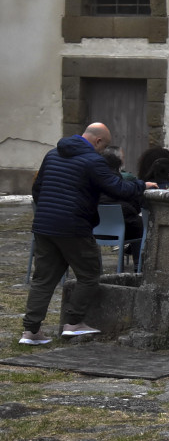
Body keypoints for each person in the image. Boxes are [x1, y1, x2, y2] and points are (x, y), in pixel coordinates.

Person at [21, 123, 157, 346]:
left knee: (43, 279)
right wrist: (143, 185)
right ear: (98, 142)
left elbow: (38, 188)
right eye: (104, 146)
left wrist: (48, 211)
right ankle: (73, 323)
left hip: (44, 225)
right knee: (90, 273)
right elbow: (118, 188)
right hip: (74, 226)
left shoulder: (53, 154)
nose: (104, 151)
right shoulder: (93, 161)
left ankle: (30, 331)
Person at [99, 149, 144, 269]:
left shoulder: (94, 182)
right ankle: (138, 265)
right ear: (118, 166)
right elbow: (129, 210)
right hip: (121, 232)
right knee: (141, 224)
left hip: (97, 233)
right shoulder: (121, 184)